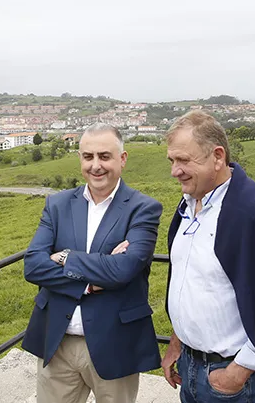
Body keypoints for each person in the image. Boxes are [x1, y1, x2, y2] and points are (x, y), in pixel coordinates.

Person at [161, 110, 255, 403]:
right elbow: (192, 281)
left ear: (218, 156)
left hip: (228, 378)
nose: (175, 170)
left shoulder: (253, 216)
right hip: (189, 365)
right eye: (172, 161)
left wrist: (238, 372)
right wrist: (178, 342)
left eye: (184, 160)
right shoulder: (189, 205)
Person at [22, 123, 163, 403]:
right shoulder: (58, 204)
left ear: (122, 159)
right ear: (80, 159)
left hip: (114, 343)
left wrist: (65, 258)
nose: (96, 165)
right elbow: (34, 266)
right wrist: (91, 282)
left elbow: (124, 269)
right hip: (58, 344)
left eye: (104, 156)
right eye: (88, 157)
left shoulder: (143, 208)